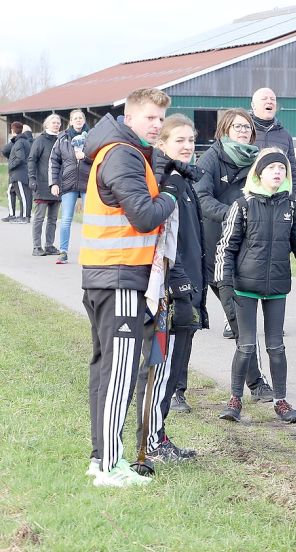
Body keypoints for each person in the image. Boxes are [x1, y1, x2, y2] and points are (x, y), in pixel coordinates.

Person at [80, 88, 178, 487]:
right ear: (131, 116)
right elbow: (143, 215)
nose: (157, 126)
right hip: (119, 275)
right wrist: (169, 195)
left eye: (161, 120)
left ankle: (102, 456)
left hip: (111, 274)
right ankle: (108, 466)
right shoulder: (122, 153)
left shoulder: (123, 151)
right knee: (118, 373)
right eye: (151, 118)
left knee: (107, 370)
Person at [215, 148, 296, 422]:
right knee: (246, 345)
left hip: (277, 287)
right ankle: (235, 400)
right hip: (244, 287)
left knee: (276, 346)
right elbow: (225, 248)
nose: (277, 172)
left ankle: (281, 401)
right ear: (259, 173)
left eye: (282, 168)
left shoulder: (293, 207)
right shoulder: (242, 206)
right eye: (272, 168)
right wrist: (225, 284)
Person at [130, 114, 205, 462]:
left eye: (191, 140)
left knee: (172, 371)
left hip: (189, 289)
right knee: (159, 372)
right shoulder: (164, 181)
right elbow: (163, 243)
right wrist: (177, 287)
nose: (188, 146)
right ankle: (149, 444)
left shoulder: (183, 179)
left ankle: (158, 435)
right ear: (162, 144)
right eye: (180, 140)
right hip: (168, 296)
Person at [194, 108, 276, 401]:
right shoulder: (211, 159)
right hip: (217, 254)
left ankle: (255, 384)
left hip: (249, 253)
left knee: (245, 324)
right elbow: (201, 198)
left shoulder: (258, 159)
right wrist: (235, 215)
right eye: (237, 127)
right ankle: (255, 384)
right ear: (224, 129)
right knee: (224, 322)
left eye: (247, 128)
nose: (243, 131)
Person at [49, 109, 92, 264]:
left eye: (81, 117)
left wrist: (86, 157)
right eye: (75, 118)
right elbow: (54, 161)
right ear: (71, 121)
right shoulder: (63, 138)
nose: (78, 120)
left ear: (84, 120)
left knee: (90, 219)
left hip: (88, 184)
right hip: (68, 183)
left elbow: (100, 158)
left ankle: (90, 252)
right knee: (66, 219)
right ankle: (63, 252)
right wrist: (54, 183)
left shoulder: (92, 137)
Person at [250, 87, 296, 186]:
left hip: (278, 197)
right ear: (253, 105)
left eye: (273, 99)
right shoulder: (244, 132)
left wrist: (291, 197)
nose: (269, 101)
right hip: (249, 196)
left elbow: (292, 172)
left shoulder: (285, 135)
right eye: (264, 99)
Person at [28, 115, 61, 255]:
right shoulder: (40, 140)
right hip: (41, 184)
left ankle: (49, 245)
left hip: (58, 185)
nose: (56, 125)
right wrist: (32, 178)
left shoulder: (61, 140)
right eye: (53, 122)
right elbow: (31, 160)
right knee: (39, 218)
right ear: (46, 125)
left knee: (53, 219)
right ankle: (36, 247)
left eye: (58, 123)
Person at [3, 122, 33, 223]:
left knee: (23, 195)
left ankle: (25, 217)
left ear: (12, 130)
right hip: (17, 174)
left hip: (19, 173)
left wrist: (11, 165)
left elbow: (20, 158)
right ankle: (13, 215)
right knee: (10, 192)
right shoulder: (21, 141)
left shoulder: (20, 142)